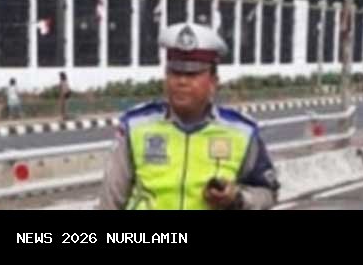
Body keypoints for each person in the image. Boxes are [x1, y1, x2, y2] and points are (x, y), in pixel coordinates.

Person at [99, 22, 280, 210]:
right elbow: (111, 199)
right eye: (175, 72)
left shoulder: (242, 132)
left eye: (192, 74)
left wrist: (236, 198)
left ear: (213, 82)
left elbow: (268, 193)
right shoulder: (135, 126)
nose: (181, 81)